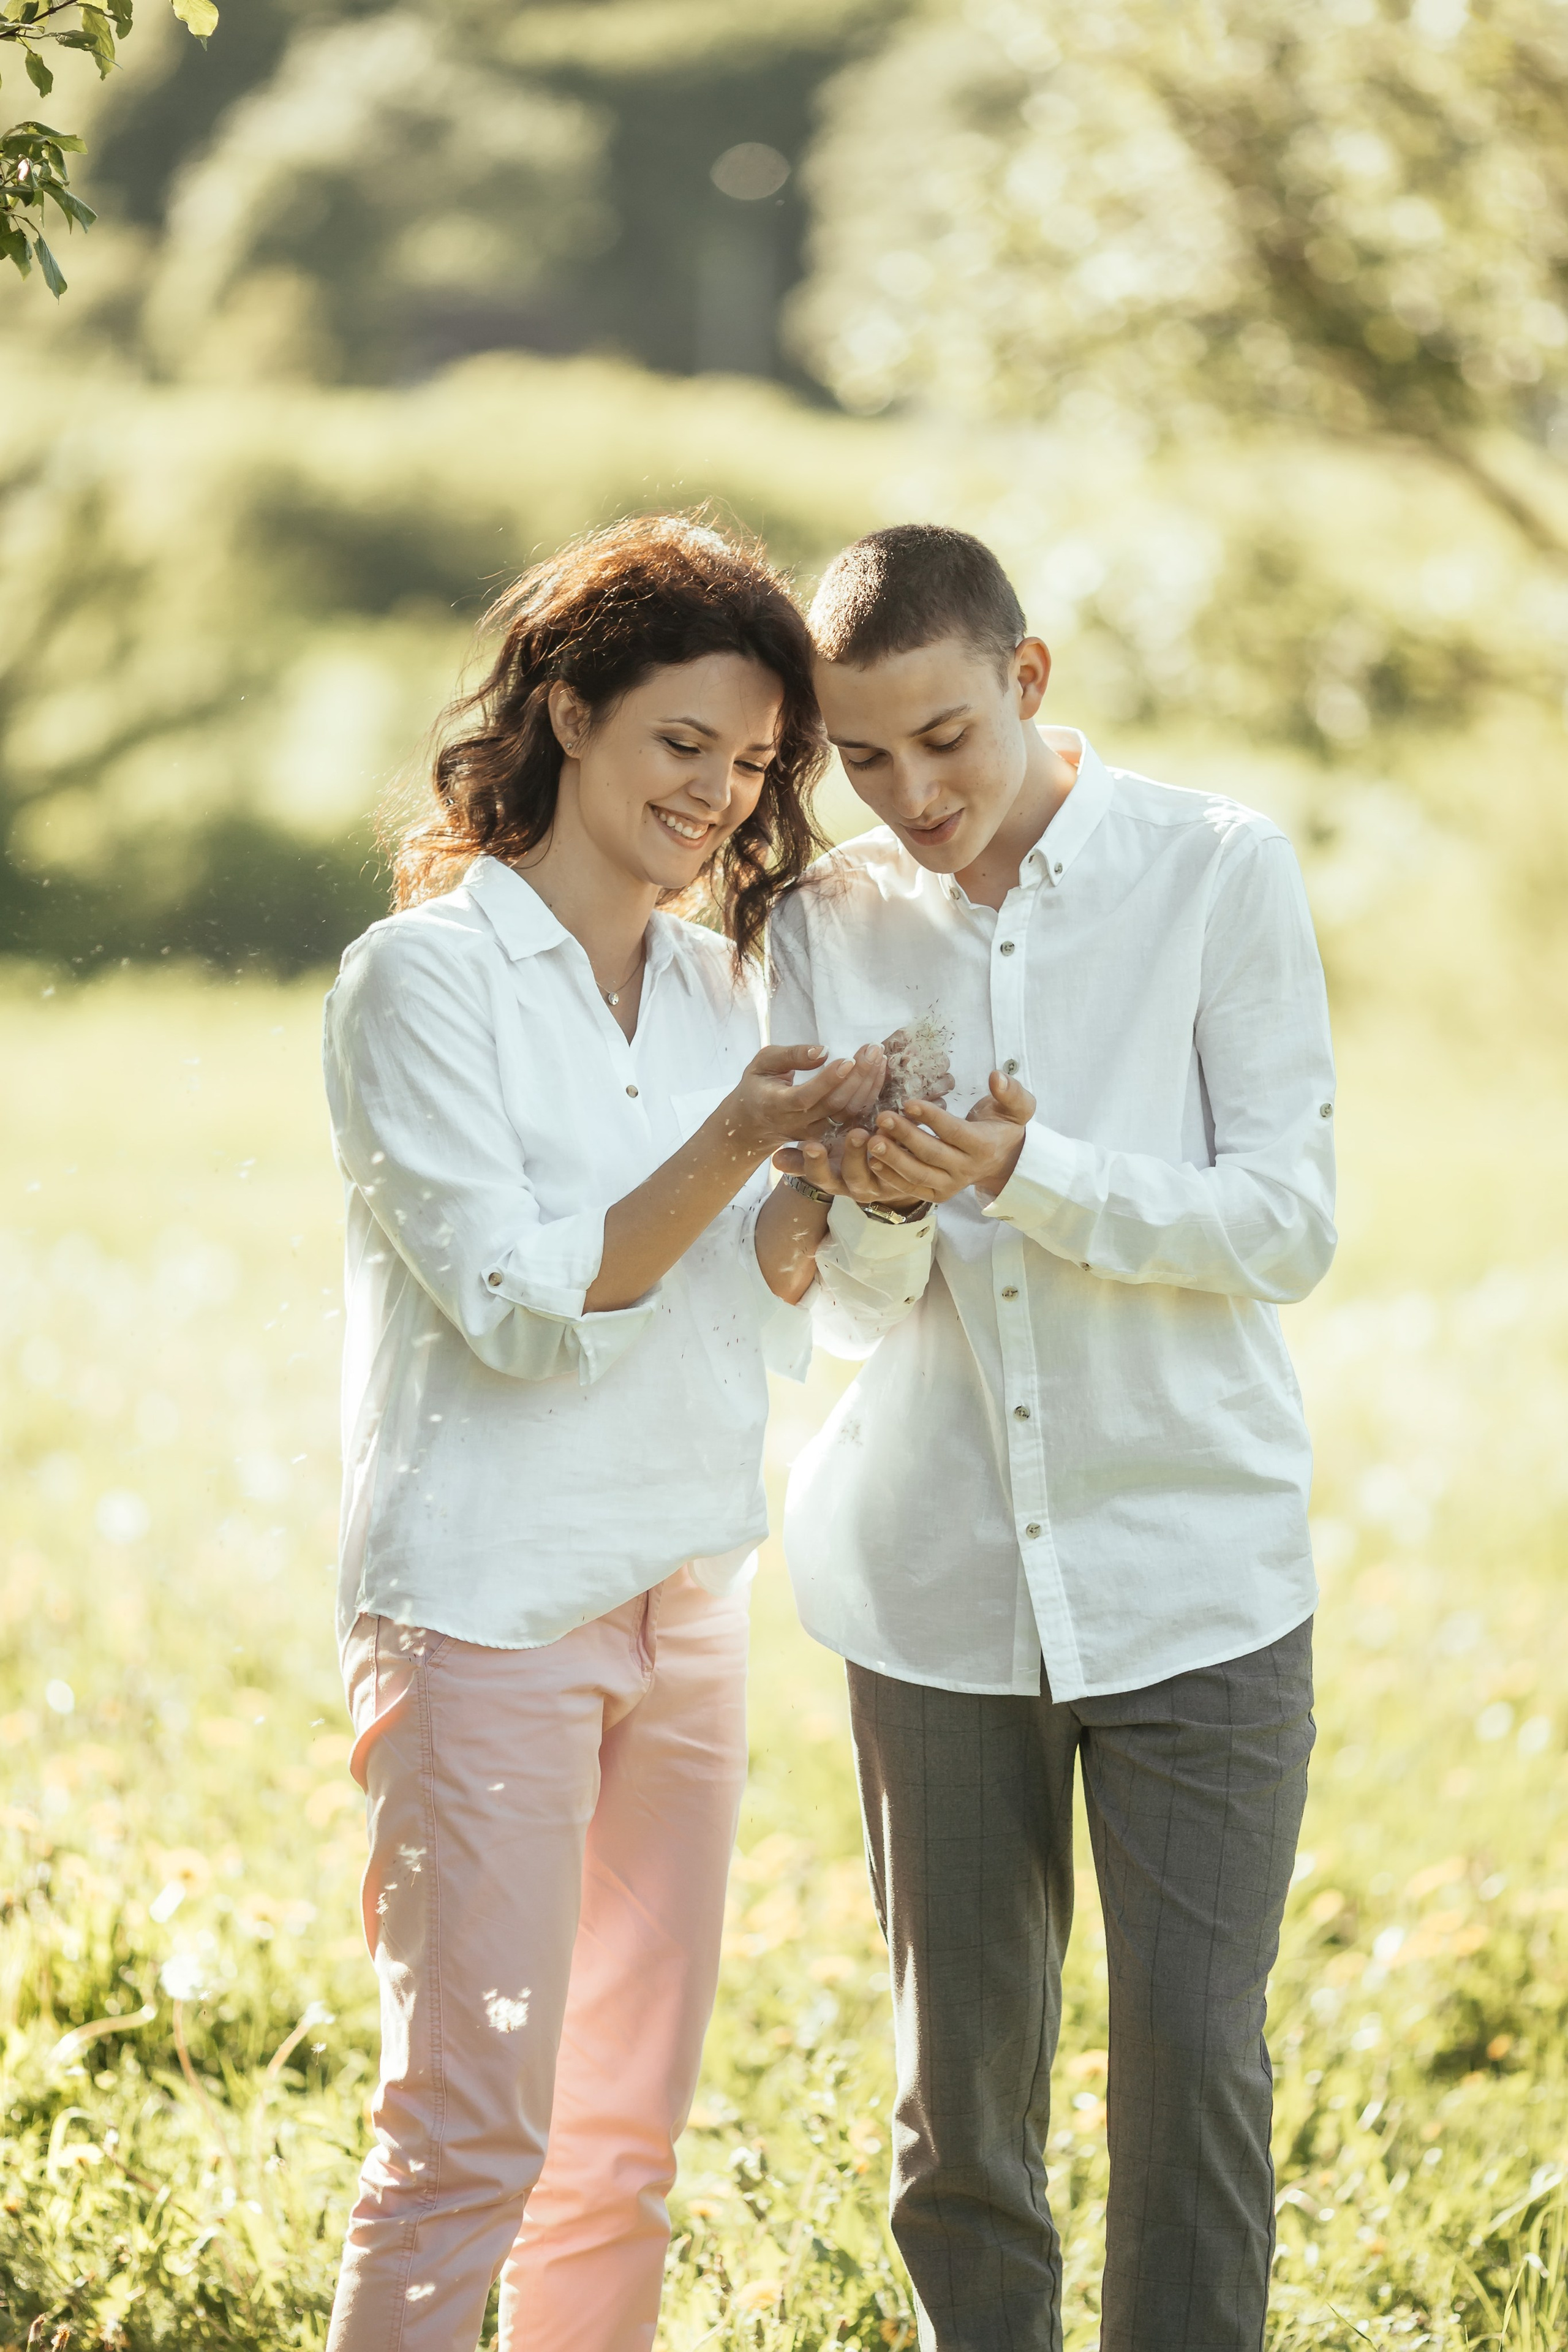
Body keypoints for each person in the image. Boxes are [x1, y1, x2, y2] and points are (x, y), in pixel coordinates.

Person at [319, 514, 897, 2352]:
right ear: (567, 716)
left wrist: (838, 1187)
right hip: (488, 1617)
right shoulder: (423, 985)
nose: (722, 797)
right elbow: (516, 1303)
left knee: (622, 2145)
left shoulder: (729, 989)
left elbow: (751, 1284)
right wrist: (739, 1143)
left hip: (685, 1602)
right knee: (466, 2141)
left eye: (753, 766)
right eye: (683, 747)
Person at [767, 524, 1337, 2352]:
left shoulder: (1216, 870)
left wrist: (1037, 1173)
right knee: (962, 2110)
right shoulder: (821, 929)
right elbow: (848, 1310)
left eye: (945, 737)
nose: (910, 793)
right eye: (862, 758)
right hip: (932, 1590)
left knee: (1193, 2081)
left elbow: (1288, 1223)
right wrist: (886, 1207)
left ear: (1028, 679)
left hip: (1198, 1577)